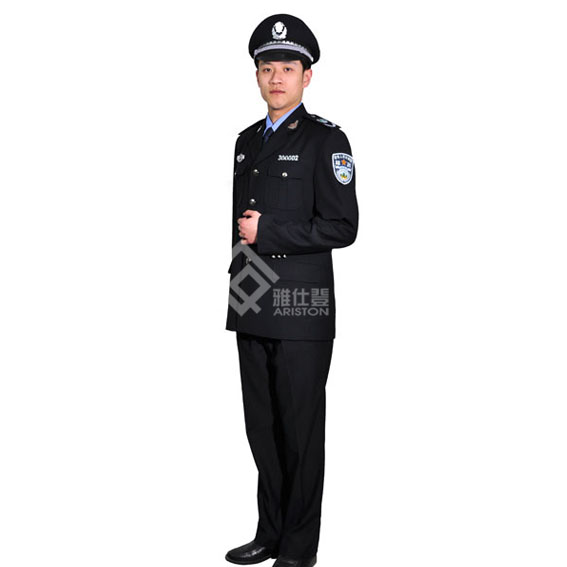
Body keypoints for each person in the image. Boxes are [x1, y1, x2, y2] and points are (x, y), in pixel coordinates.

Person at [225, 13, 359, 567]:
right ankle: (271, 532)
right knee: (262, 428)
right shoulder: (245, 141)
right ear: (257, 75)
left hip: (302, 306)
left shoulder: (327, 140)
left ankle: (299, 551)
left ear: (307, 76)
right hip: (251, 297)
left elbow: (342, 227)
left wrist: (271, 231)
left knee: (300, 432)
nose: (276, 77)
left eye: (287, 67)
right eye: (267, 68)